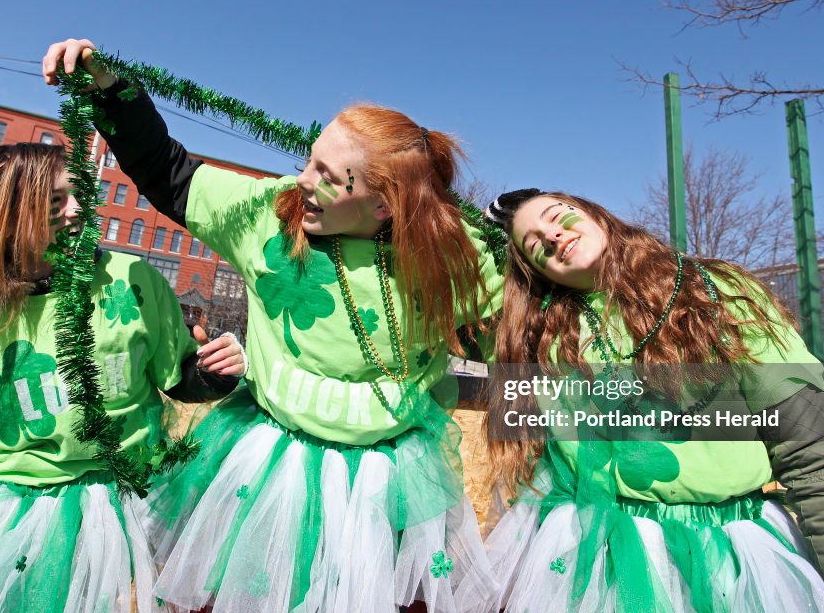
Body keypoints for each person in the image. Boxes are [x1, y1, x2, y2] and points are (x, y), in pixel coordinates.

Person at [43, 39, 503, 613]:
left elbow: (537, 332)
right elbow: (169, 172)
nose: (304, 181)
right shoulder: (270, 214)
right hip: (266, 466)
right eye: (310, 160)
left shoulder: (451, 256)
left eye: (332, 176)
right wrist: (113, 90)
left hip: (385, 482)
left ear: (385, 205)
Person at [470, 188, 824, 613]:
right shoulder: (533, 339)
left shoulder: (720, 294)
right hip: (600, 569)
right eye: (533, 245)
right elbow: (437, 280)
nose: (550, 235)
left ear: (599, 215)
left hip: (741, 567)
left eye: (558, 215)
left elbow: (816, 458)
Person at [0, 143, 246, 612]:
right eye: (56, 201)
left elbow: (178, 375)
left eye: (79, 195)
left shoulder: (131, 280)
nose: (80, 211)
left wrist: (212, 373)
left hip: (129, 509)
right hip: (5, 519)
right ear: (4, 215)